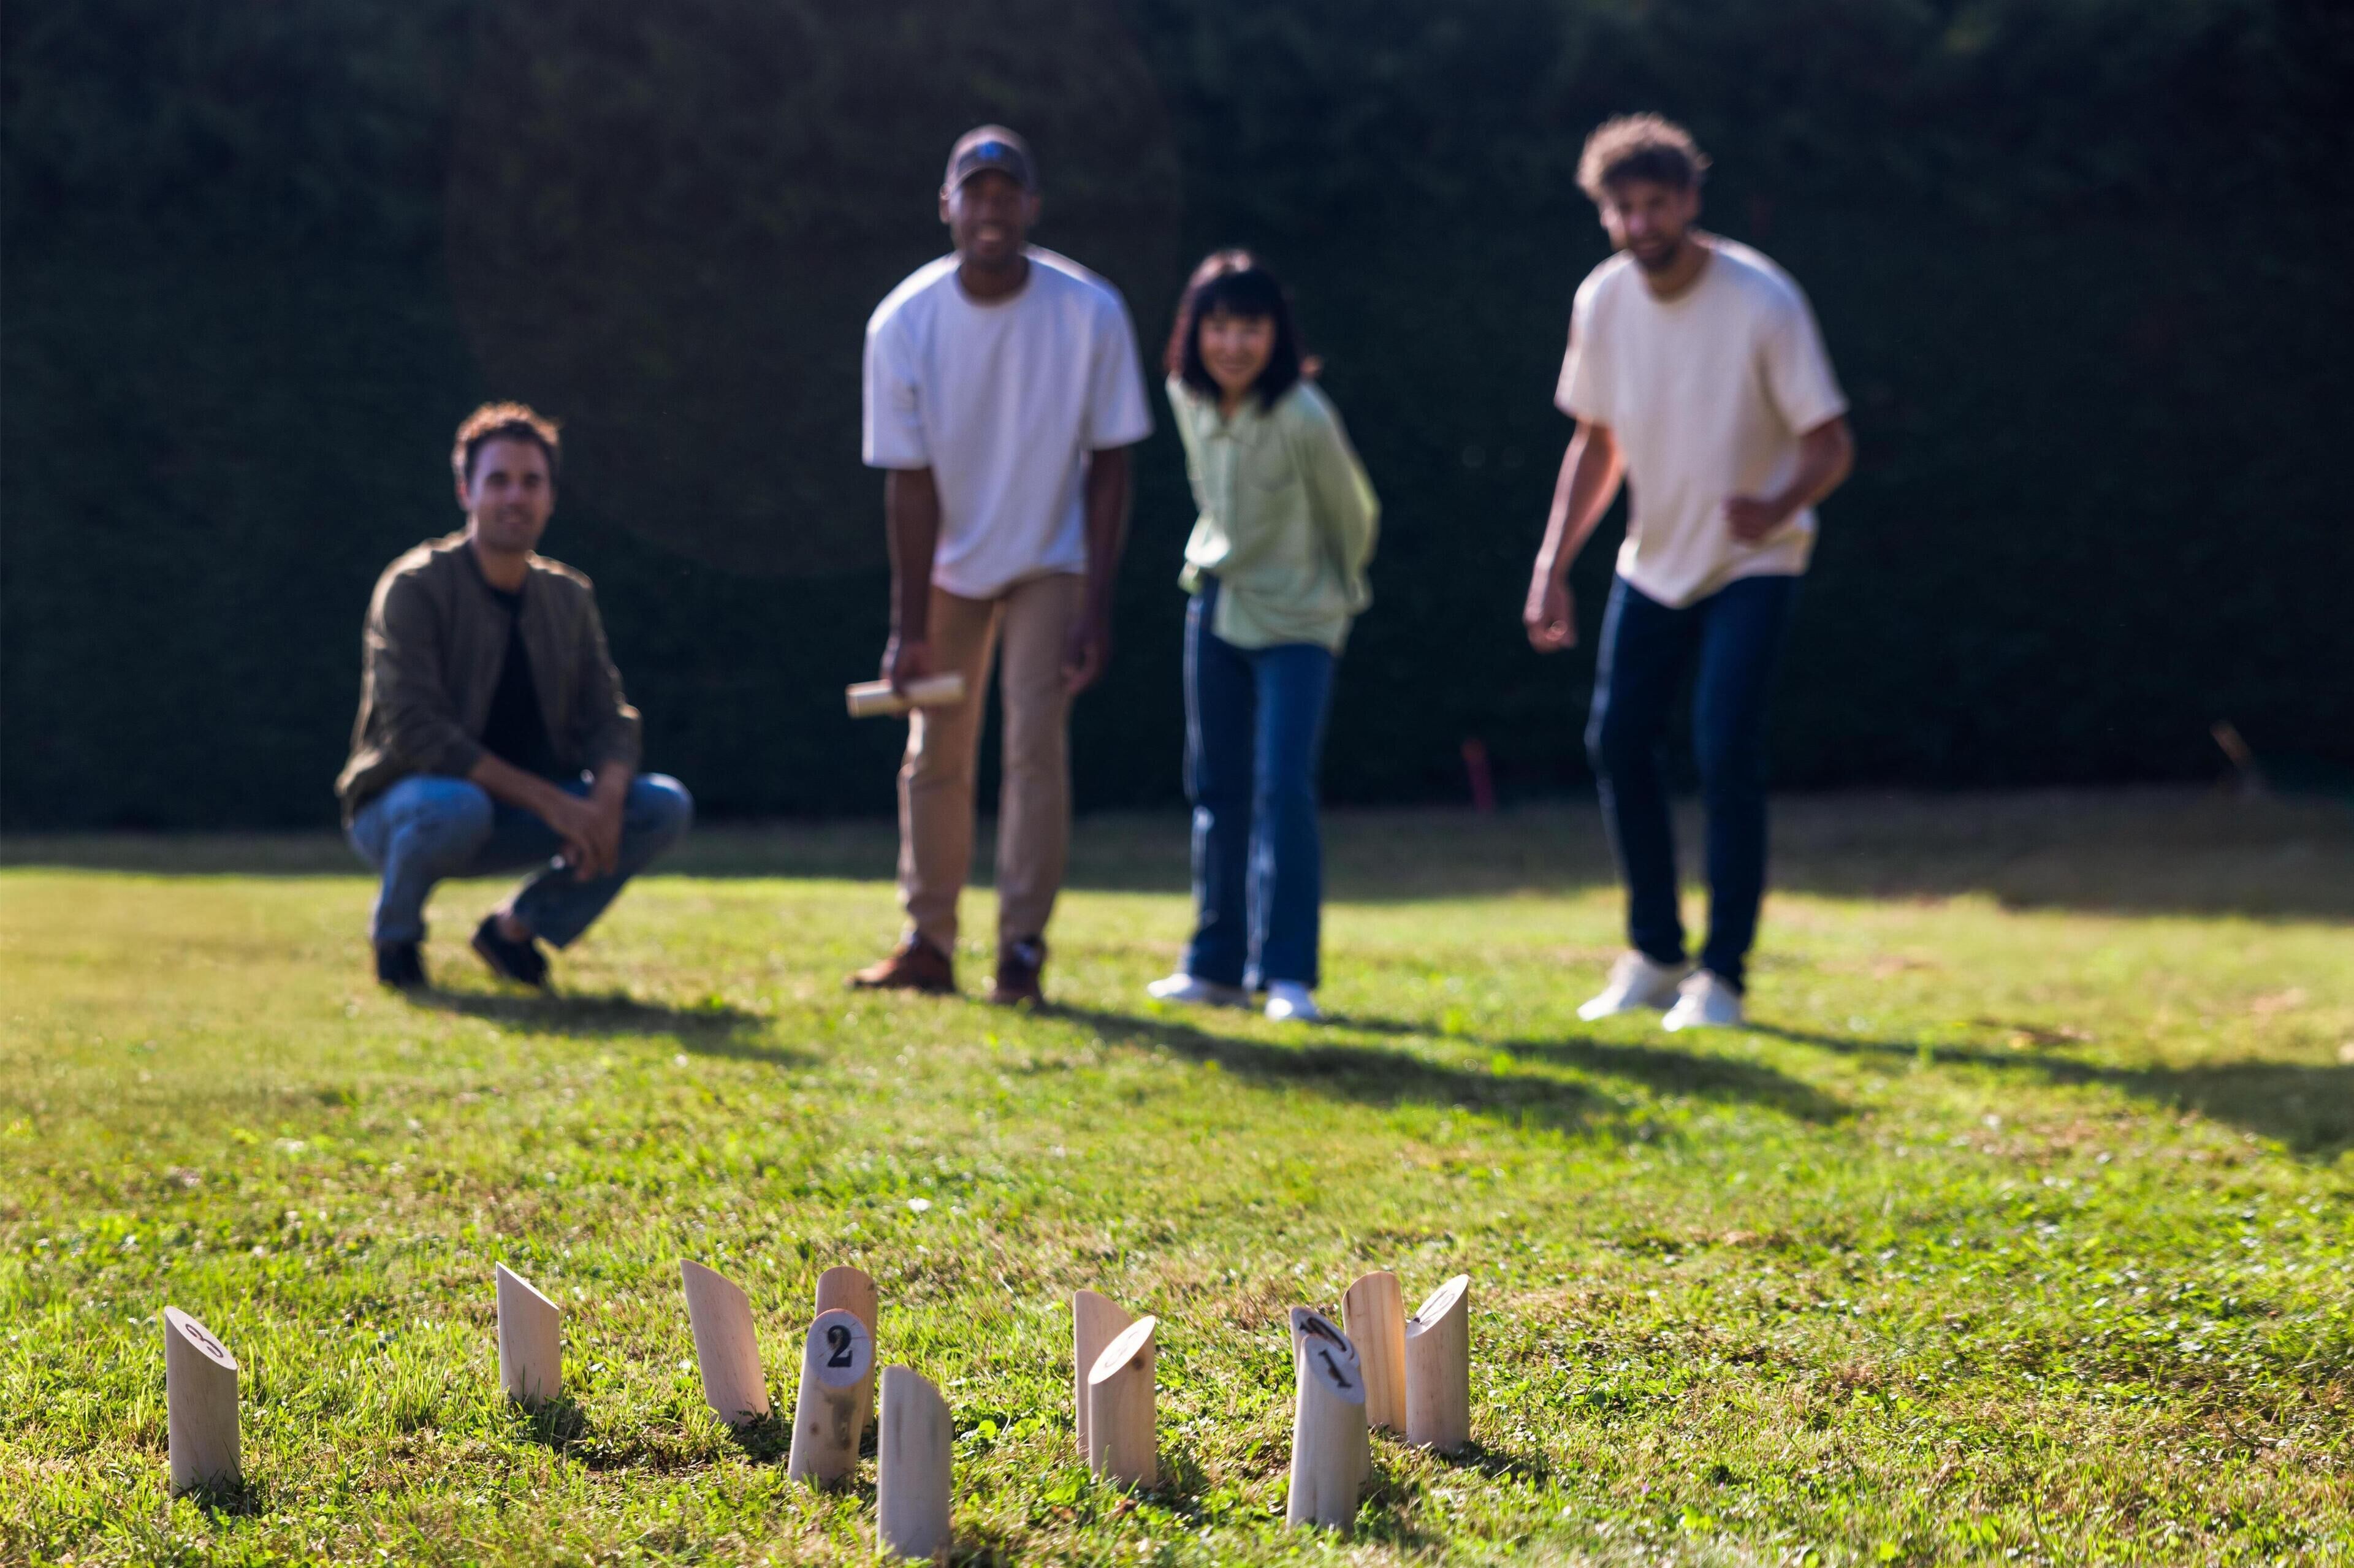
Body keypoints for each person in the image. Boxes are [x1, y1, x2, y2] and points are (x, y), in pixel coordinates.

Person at [1523, 115, 1853, 1031]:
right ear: (1605, 214)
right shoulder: (1601, 302)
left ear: (1689, 201)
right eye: (1622, 208)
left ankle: (1724, 978)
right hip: (1652, 563)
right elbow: (1597, 441)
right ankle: (1656, 952)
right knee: (1618, 742)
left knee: (1724, 750)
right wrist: (1554, 565)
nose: (1639, 223)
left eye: (1655, 204)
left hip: (1756, 560)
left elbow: (1830, 444)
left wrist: (1776, 506)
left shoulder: (1763, 299)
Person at [850, 126, 1154, 1006]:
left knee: (1032, 748)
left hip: (1050, 561)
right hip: (950, 567)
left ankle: (1021, 949)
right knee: (935, 751)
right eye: (972, 193)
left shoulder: (1089, 310)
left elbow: (1111, 463)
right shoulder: (902, 322)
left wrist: (1095, 603)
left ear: (1031, 208)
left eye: (1005, 194)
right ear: (946, 206)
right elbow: (908, 483)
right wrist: (908, 629)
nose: (989, 210)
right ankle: (928, 942)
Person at [338, 403, 693, 990]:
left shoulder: (569, 597)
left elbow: (609, 717)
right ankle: (396, 936)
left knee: (661, 806)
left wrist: (602, 806)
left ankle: (514, 931)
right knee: (458, 805)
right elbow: (416, 729)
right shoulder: (414, 587)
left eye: (532, 482)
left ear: (552, 497)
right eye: (497, 480)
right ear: (464, 491)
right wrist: (557, 807)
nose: (515, 497)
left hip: (524, 813)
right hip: (406, 809)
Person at [1144, 254, 1377, 1024]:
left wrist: (1332, 598)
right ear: (1196, 331)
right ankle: (1213, 965)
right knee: (1217, 786)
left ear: (1276, 335)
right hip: (1216, 607)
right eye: (1218, 326)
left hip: (1301, 625)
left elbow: (1355, 518)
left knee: (1284, 789)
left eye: (1250, 327)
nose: (1233, 344)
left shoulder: (1305, 414)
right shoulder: (1185, 393)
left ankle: (1286, 976)